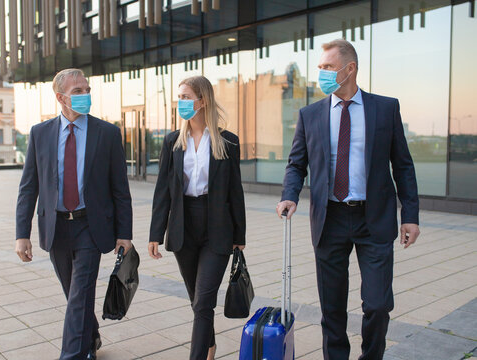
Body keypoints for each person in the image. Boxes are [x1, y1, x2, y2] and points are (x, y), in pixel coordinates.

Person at [276, 39, 420, 360]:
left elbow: (403, 165)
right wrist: (289, 195)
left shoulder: (385, 108)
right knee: (332, 309)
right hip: (330, 220)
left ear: (349, 68)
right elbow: (297, 163)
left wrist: (410, 215)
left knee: (379, 305)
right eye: (320, 67)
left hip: (375, 220)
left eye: (327, 67)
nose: (321, 73)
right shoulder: (310, 115)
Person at [15, 68, 133, 360]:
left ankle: (73, 355)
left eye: (87, 89)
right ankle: (90, 337)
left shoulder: (107, 133)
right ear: (60, 97)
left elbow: (120, 188)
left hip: (90, 228)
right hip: (56, 227)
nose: (85, 95)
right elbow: (28, 187)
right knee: (74, 296)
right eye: (77, 91)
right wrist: (22, 235)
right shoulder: (40, 134)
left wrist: (124, 234)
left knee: (80, 295)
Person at [148, 75, 246, 360]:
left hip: (217, 227)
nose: (181, 102)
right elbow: (163, 191)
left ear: (202, 101)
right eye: (179, 97)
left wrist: (239, 237)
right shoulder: (173, 142)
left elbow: (235, 191)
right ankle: (209, 344)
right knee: (197, 300)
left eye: (186, 97)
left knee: (204, 300)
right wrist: (156, 233)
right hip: (183, 227)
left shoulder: (227, 142)